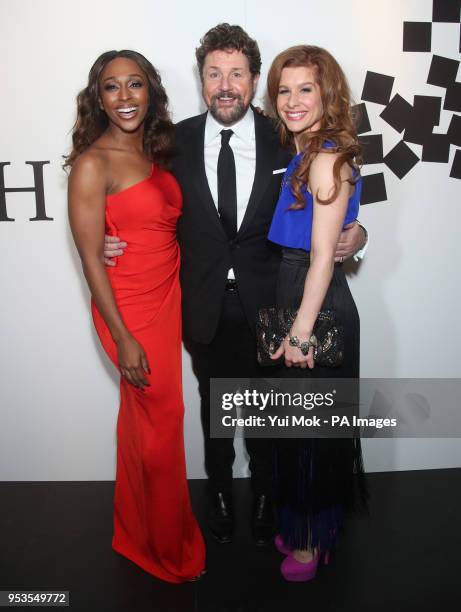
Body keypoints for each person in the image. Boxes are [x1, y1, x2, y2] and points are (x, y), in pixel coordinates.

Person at [104, 25, 367, 546]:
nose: (225, 85)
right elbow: (137, 197)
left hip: (276, 306)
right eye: (213, 74)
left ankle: (270, 494)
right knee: (214, 404)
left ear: (253, 82)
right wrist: (107, 237)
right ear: (201, 79)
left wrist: (357, 235)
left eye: (237, 74)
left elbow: (333, 202)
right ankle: (220, 492)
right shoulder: (169, 141)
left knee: (274, 412)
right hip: (204, 305)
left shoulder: (286, 134)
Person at [66, 50, 205, 583]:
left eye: (135, 85)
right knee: (163, 426)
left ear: (151, 91)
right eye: (111, 87)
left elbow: (165, 225)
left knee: (140, 425)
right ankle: (166, 550)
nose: (124, 97)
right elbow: (89, 260)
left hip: (167, 296)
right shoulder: (92, 163)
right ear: (96, 98)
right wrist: (122, 337)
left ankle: (133, 532)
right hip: (129, 311)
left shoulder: (157, 151)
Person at [265, 45, 368, 581]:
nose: (292, 99)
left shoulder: (326, 155)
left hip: (315, 303)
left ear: (328, 94)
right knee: (304, 427)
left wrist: (302, 329)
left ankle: (310, 545)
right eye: (284, 89)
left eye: (306, 88)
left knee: (312, 432)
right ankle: (312, 527)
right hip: (300, 294)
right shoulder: (310, 152)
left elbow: (324, 255)